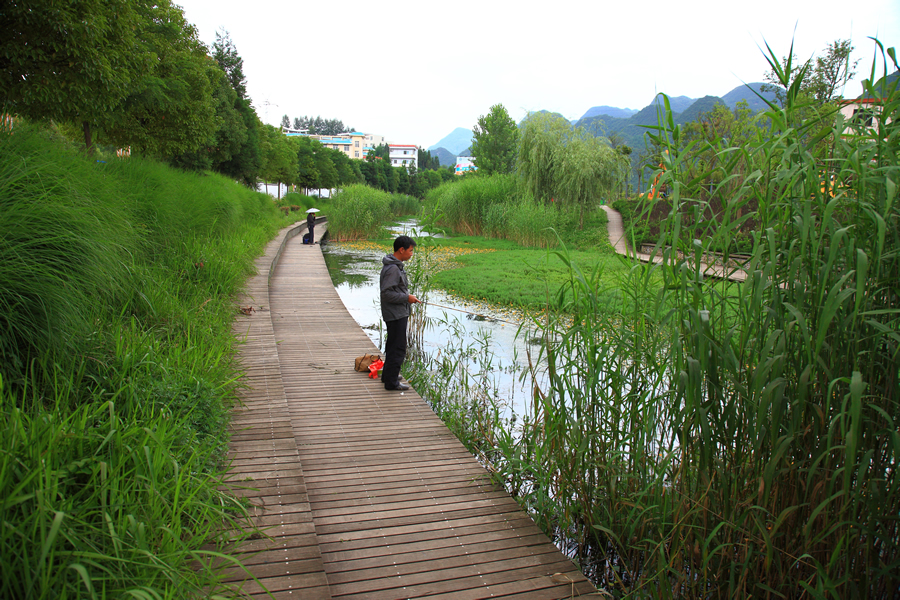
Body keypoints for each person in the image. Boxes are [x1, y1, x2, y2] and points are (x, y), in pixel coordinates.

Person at [380, 235, 420, 390]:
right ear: (401, 250)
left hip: (397, 312)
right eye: (410, 250)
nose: (411, 253)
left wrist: (408, 298)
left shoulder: (395, 266)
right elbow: (386, 294)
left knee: (392, 345)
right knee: (398, 348)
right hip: (395, 314)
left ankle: (388, 375)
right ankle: (391, 383)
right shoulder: (393, 269)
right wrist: (407, 298)